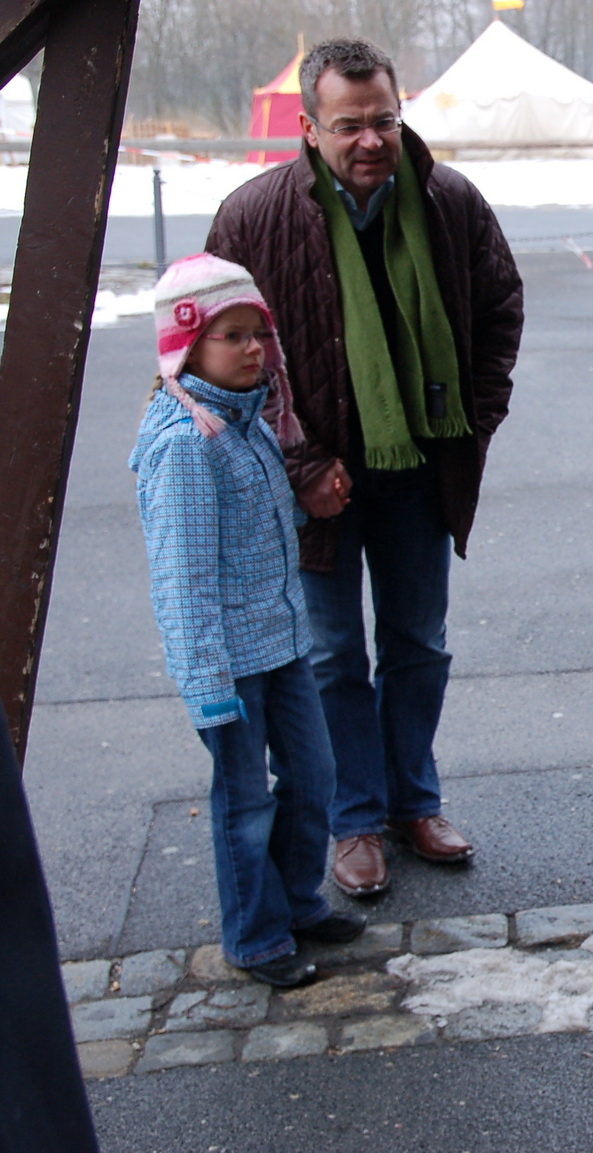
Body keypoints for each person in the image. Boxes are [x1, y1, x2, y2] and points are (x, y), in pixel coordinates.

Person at [207, 38, 524, 899]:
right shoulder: (252, 218)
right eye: (349, 125)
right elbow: (223, 358)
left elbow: (501, 304)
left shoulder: (449, 202)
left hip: (422, 466)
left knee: (418, 643)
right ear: (309, 128)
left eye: (383, 120)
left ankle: (414, 800)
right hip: (307, 487)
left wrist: (476, 418)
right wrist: (303, 461)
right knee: (334, 654)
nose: (371, 140)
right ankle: (355, 816)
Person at [131, 254, 367, 988]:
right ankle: (257, 935)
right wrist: (206, 683)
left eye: (258, 333)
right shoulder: (186, 446)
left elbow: (260, 525)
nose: (253, 350)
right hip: (229, 662)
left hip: (282, 640)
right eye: (231, 336)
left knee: (314, 775)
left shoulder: (248, 419)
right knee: (245, 802)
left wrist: (311, 504)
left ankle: (298, 902)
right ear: (186, 346)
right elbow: (184, 577)